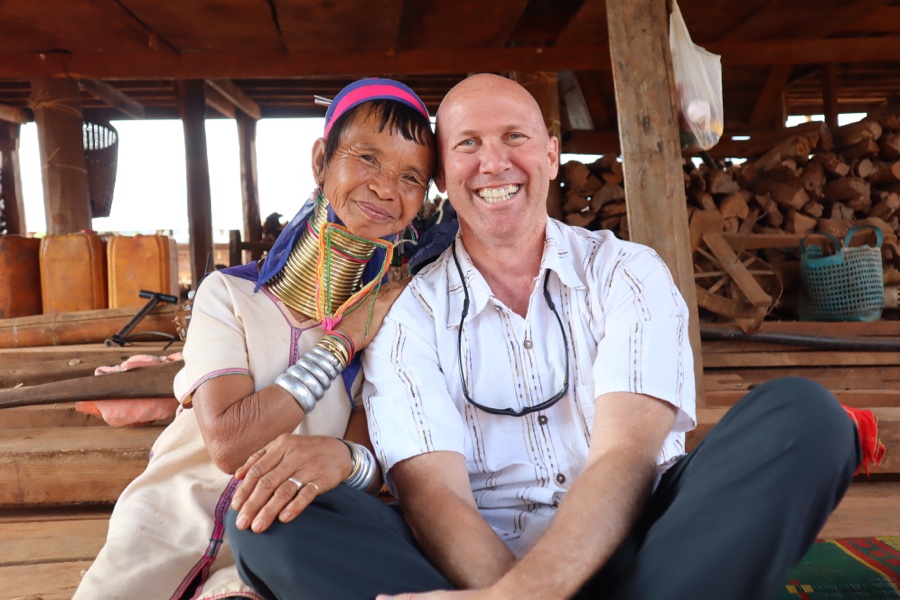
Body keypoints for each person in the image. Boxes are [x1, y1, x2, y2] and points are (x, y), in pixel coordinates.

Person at [226, 74, 861, 600]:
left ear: (552, 154)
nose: (494, 161)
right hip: (467, 561)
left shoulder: (626, 271)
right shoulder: (411, 309)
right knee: (266, 523)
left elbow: (627, 455)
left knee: (807, 417)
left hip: (653, 549)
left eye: (515, 137)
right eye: (468, 143)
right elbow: (434, 493)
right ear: (444, 177)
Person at [74, 77, 436, 600]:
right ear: (320, 161)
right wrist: (342, 343)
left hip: (283, 533)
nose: (385, 187)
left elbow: (369, 454)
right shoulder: (229, 296)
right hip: (166, 523)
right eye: (367, 158)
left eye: (411, 177)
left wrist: (345, 460)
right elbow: (228, 442)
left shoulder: (397, 319)